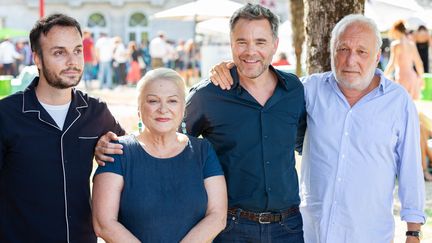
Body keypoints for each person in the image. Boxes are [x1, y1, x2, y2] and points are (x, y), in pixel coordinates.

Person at [95, 3, 307, 242]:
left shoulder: (294, 90)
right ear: (231, 43)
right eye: (242, 42)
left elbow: (303, 143)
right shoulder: (209, 96)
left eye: (260, 42)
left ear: (275, 45)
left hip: (287, 227)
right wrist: (119, 146)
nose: (250, 51)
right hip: (231, 228)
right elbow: (164, 133)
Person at [210, 14, 426, 243]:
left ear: (377, 56)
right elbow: (261, 77)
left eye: (361, 51)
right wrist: (229, 68)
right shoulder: (309, 90)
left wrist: (413, 232)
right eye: (343, 49)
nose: (350, 60)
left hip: (369, 234)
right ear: (332, 52)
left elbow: (410, 168)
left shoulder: (397, 101)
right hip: (312, 232)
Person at [0, 14, 125, 242]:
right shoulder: (6, 115)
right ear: (37, 59)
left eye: (77, 50)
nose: (72, 61)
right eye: (59, 52)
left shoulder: (96, 112)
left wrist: (107, 145)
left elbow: (133, 160)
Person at [92, 68, 227, 242]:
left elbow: (217, 216)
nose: (163, 109)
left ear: (183, 109)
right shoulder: (118, 152)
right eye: (153, 101)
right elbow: (104, 223)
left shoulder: (203, 151)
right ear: (139, 109)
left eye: (172, 101)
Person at [384, 20, 424, 100]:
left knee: (400, 106)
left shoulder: (395, 45)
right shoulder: (411, 44)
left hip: (401, 78)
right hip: (412, 77)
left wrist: (383, 75)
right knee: (411, 107)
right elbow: (419, 63)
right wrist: (421, 78)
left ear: (396, 31)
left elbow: (392, 64)